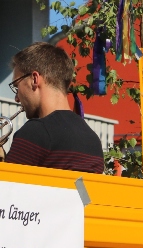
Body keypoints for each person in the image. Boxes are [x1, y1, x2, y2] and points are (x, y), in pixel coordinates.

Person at [4, 42, 103, 172]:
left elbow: (7, 183)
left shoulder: (35, 132)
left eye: (17, 87)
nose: (16, 98)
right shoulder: (93, 140)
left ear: (34, 79)